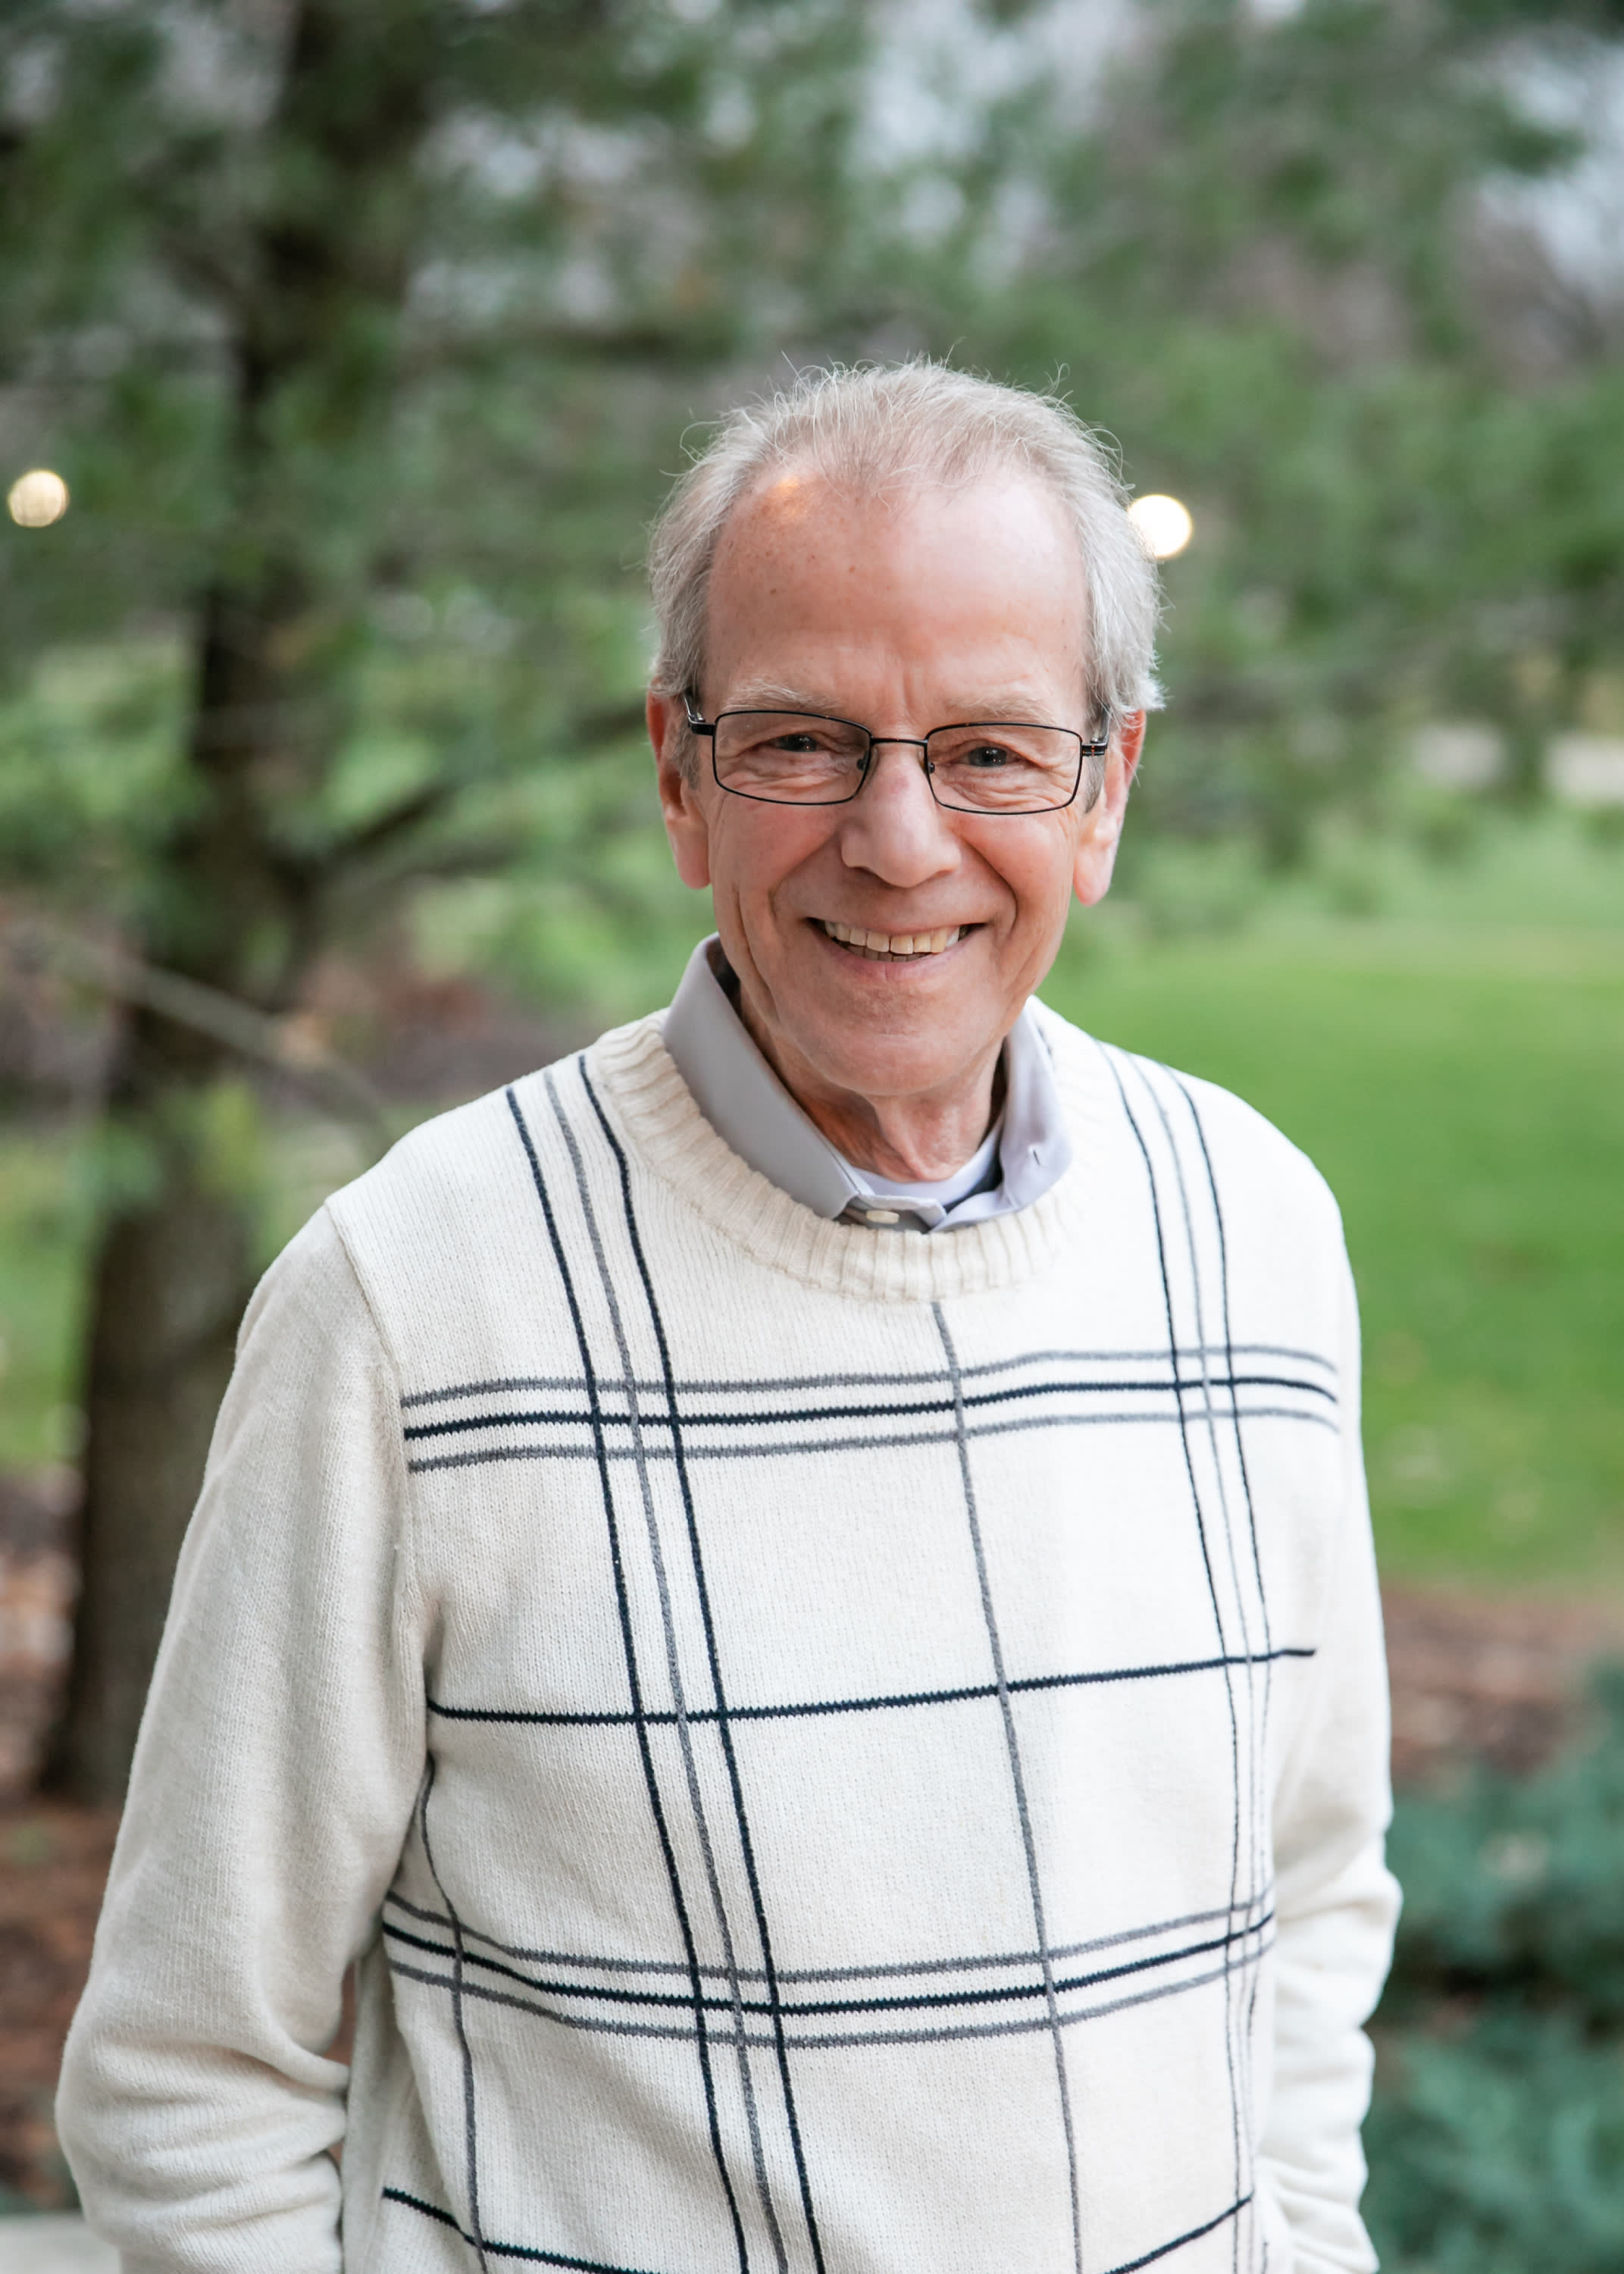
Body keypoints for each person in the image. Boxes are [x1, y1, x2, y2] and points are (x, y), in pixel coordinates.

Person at [59, 363, 1397, 2274]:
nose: (900, 839)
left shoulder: (1252, 1230)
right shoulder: (413, 1300)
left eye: (991, 751)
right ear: (678, 776)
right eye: (800, 744)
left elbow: (1309, 1893)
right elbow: (190, 2077)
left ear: (1106, 790)